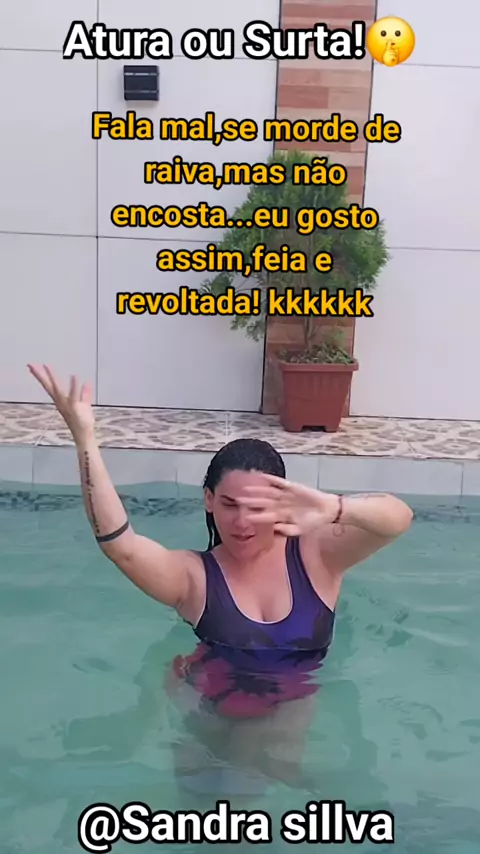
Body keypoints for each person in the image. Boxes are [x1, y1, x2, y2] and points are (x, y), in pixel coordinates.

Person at [28, 364, 413, 794]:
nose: (242, 522)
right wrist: (85, 438)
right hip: (206, 703)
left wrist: (335, 508)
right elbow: (121, 544)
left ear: (281, 503)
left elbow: (398, 519)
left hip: (287, 708)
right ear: (209, 500)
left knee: (256, 785)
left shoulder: (316, 555)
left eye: (257, 507)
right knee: (202, 807)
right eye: (229, 504)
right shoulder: (194, 578)